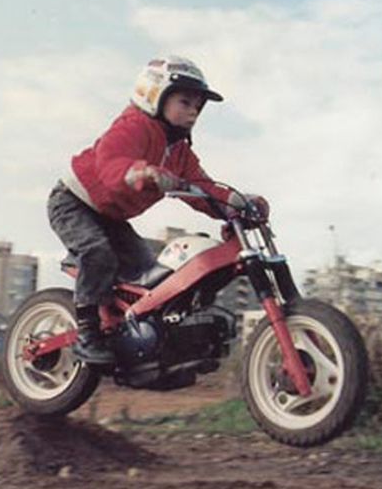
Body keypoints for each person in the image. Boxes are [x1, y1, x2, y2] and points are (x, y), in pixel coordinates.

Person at [47, 55, 266, 365]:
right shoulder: (133, 126)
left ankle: (140, 338)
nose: (193, 111)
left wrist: (237, 202)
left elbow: (203, 188)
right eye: (185, 102)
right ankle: (87, 334)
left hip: (112, 218)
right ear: (154, 96)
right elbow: (111, 162)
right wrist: (140, 172)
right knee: (97, 252)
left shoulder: (179, 152)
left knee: (149, 278)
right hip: (74, 202)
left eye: (198, 106)